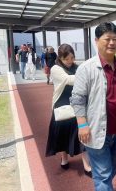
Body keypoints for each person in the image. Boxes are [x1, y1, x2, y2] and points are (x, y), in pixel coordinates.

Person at [70, 22, 116, 191]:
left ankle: (101, 184)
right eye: (107, 39)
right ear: (96, 41)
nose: (112, 43)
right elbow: (77, 99)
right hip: (95, 131)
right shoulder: (86, 68)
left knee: (114, 165)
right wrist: (82, 124)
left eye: (115, 39)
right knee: (104, 174)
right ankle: (102, 184)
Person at [45, 44, 91, 176]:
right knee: (62, 135)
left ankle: (86, 164)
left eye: (72, 58)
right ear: (60, 58)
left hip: (76, 105)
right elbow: (68, 80)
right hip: (61, 105)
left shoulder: (77, 67)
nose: (70, 61)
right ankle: (64, 158)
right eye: (67, 59)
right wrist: (86, 76)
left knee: (81, 134)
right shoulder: (55, 68)